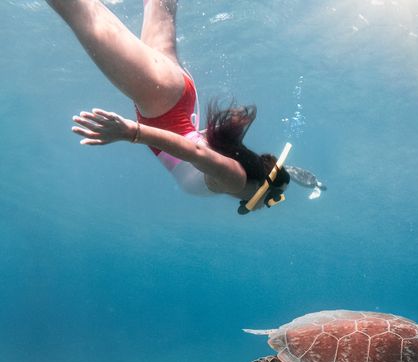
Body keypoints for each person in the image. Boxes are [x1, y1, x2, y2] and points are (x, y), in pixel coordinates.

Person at [46, 0, 290, 208]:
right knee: (82, 13)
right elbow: (194, 151)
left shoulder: (242, 167)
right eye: (272, 201)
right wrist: (132, 132)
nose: (266, 207)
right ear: (263, 189)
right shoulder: (236, 180)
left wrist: (295, 177)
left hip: (175, 94)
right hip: (158, 97)